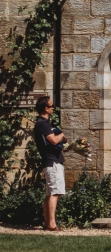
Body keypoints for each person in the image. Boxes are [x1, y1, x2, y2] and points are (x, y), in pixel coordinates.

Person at [31, 99, 64, 232]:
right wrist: (62, 134)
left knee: (50, 192)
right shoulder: (42, 123)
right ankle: (51, 224)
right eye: (51, 106)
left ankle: (47, 223)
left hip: (51, 160)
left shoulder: (43, 123)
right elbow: (54, 140)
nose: (53, 108)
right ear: (45, 108)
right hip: (52, 162)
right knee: (54, 193)